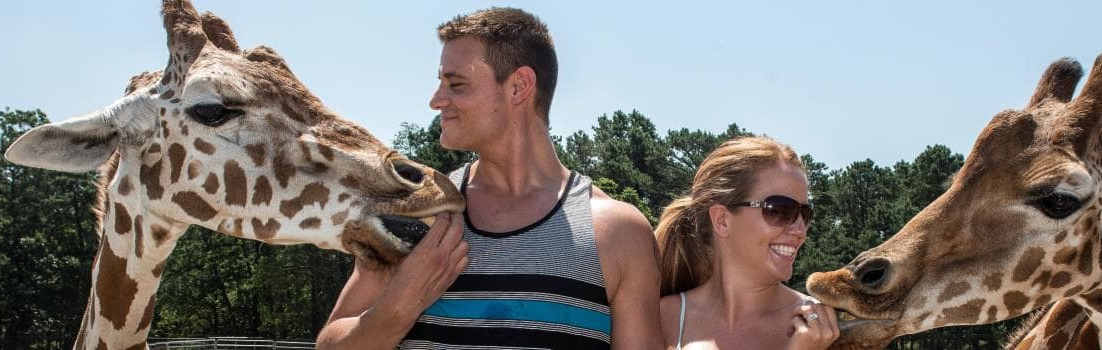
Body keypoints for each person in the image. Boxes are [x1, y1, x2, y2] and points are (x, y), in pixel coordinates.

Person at [316, 7, 663, 349]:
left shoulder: (620, 233)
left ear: (518, 87)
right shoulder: (414, 212)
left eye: (456, 84)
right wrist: (397, 307)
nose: (436, 101)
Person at [655, 136, 840, 350]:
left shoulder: (823, 328)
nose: (800, 230)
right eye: (780, 210)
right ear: (722, 220)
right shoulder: (662, 319)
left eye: (805, 214)